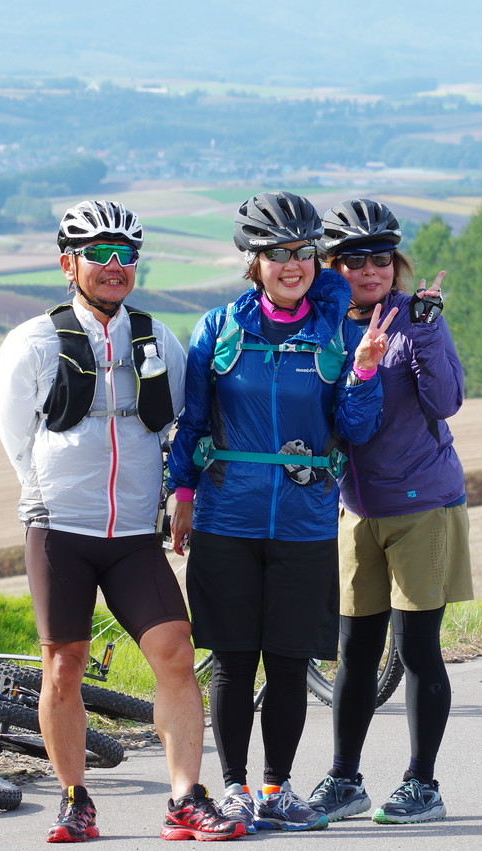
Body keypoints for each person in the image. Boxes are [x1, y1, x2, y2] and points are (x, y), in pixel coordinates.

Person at [0, 200, 245, 843]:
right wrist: (46, 497)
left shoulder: (159, 339)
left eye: (125, 255)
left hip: (133, 532)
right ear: (67, 264)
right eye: (98, 255)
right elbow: (15, 437)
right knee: (63, 666)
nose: (114, 267)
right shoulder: (33, 342)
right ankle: (75, 799)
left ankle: (186, 798)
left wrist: (176, 497)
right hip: (61, 529)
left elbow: (183, 428)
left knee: (176, 654)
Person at [167, 190, 394, 834]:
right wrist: (180, 493)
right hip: (226, 518)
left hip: (305, 519)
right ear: (254, 261)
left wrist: (365, 374)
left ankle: (277, 788)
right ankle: (235, 788)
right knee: (236, 661)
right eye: (277, 254)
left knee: (290, 662)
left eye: (302, 253)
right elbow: (192, 420)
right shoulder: (219, 328)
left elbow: (355, 428)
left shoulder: (339, 332)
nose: (291, 265)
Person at [304, 199, 473, 826]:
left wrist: (424, 332)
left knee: (417, 647)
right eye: (353, 259)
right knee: (354, 653)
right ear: (333, 267)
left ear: (395, 263)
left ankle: (421, 784)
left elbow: (447, 400)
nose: (369, 269)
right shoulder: (326, 325)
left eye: (380, 258)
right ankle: (345, 779)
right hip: (355, 506)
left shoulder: (414, 317)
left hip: (422, 504)